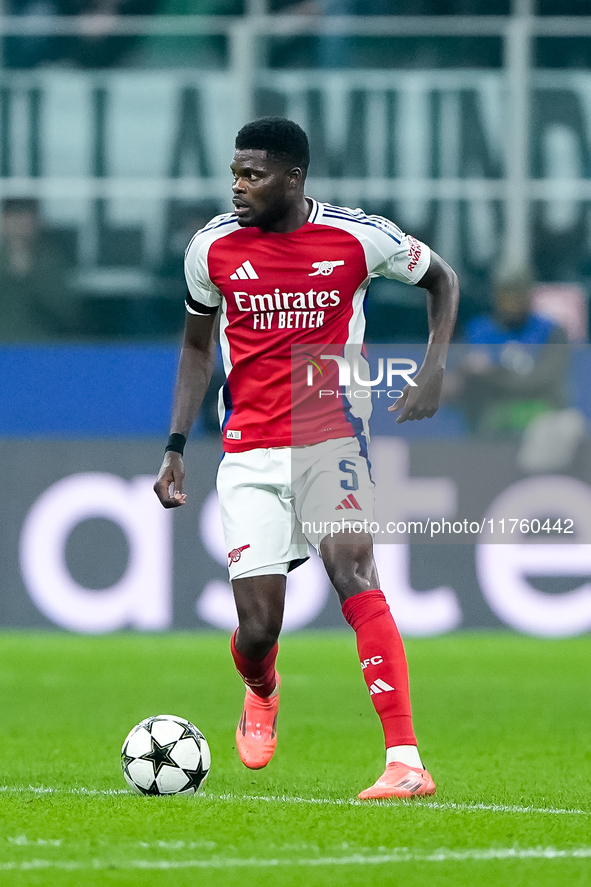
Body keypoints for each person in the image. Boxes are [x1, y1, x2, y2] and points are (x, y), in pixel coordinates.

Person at [154, 117, 459, 800]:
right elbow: (197, 349)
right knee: (259, 630)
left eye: (252, 174)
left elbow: (442, 279)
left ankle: (404, 758)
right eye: (234, 172)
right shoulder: (210, 248)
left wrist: (434, 366)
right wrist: (175, 445)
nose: (238, 185)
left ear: (292, 178)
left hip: (333, 436)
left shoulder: (358, 237)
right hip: (249, 450)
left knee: (353, 567)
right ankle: (261, 687)